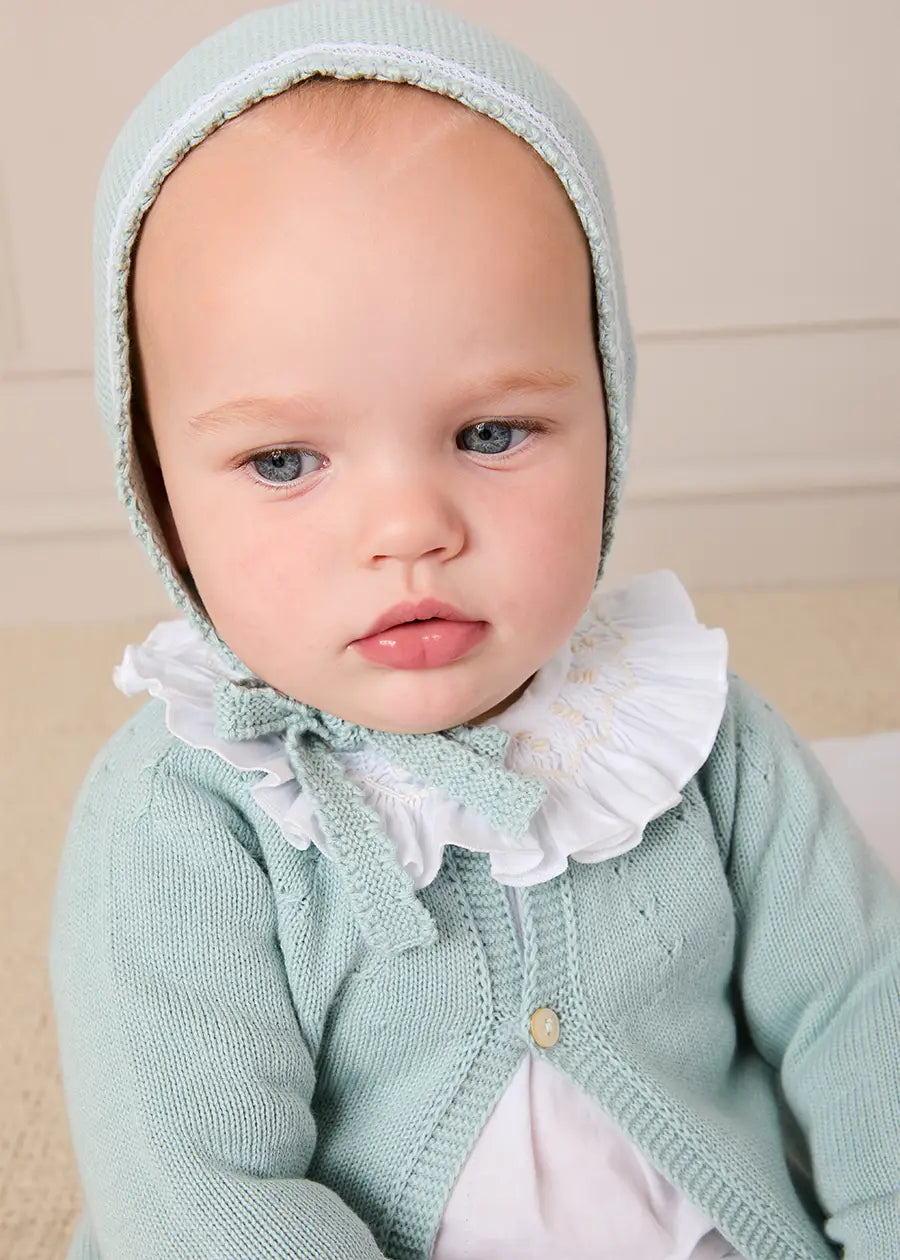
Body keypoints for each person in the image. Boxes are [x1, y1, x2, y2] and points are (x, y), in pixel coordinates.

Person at [48, 1, 900, 1257]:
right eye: (286, 460)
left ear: (606, 414)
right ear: (161, 496)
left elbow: (858, 1018)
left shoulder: (694, 736)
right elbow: (198, 1197)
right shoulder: (187, 818)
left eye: (490, 434)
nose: (409, 530)